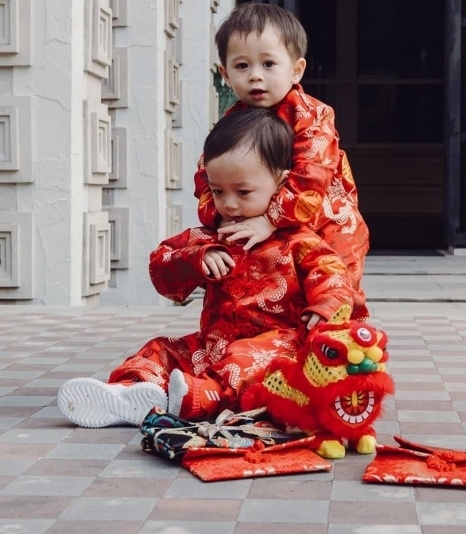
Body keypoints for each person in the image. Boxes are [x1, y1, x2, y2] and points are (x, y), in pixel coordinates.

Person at [57, 108, 366, 428]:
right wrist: (196, 259)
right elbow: (161, 267)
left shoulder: (300, 242)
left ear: (280, 182)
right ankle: (131, 392)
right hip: (212, 346)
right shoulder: (209, 237)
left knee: (252, 357)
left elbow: (333, 276)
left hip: (277, 347)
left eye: (243, 192)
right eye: (218, 192)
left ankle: (201, 397)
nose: (229, 204)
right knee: (161, 349)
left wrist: (325, 308)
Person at [195, 2, 370, 299]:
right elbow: (207, 173)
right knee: (277, 286)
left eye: (268, 64)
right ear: (225, 74)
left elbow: (311, 176)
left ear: (296, 70)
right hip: (263, 222)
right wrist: (218, 215)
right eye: (241, 66)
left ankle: (340, 336)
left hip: (325, 218)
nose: (254, 76)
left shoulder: (312, 116)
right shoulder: (232, 123)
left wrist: (269, 220)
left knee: (333, 278)